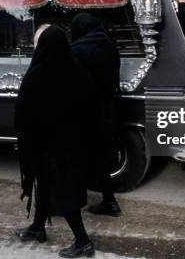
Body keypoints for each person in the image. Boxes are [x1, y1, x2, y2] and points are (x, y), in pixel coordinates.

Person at [14, 25, 98, 258]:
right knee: (46, 186)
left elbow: (23, 111)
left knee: (63, 193)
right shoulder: (77, 71)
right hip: (72, 144)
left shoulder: (38, 74)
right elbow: (90, 105)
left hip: (51, 147)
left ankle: (83, 241)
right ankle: (38, 227)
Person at [70, 13, 122, 217]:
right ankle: (109, 201)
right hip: (107, 111)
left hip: (85, 113)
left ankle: (73, 201)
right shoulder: (110, 47)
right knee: (102, 159)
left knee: (77, 158)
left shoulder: (76, 51)